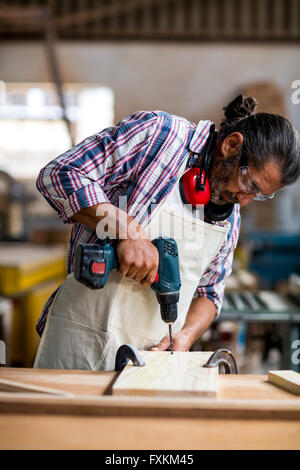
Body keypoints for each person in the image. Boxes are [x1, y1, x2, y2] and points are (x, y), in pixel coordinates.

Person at [34, 95, 300, 371]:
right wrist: (127, 231)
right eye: (249, 182)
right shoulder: (159, 136)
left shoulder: (229, 218)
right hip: (78, 340)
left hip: (148, 364)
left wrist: (186, 335)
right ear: (231, 144)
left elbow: (210, 294)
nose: (245, 200)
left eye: (258, 195)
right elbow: (59, 173)